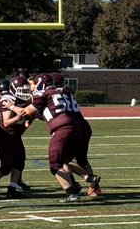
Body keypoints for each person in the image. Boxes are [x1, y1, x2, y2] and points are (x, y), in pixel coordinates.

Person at [19, 72, 103, 203]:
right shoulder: (66, 93)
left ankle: (73, 192)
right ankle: (90, 183)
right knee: (73, 159)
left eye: (35, 84)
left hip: (64, 129)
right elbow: (52, 112)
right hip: (80, 126)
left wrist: (12, 106)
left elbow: (28, 111)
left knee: (56, 164)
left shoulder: (45, 93)